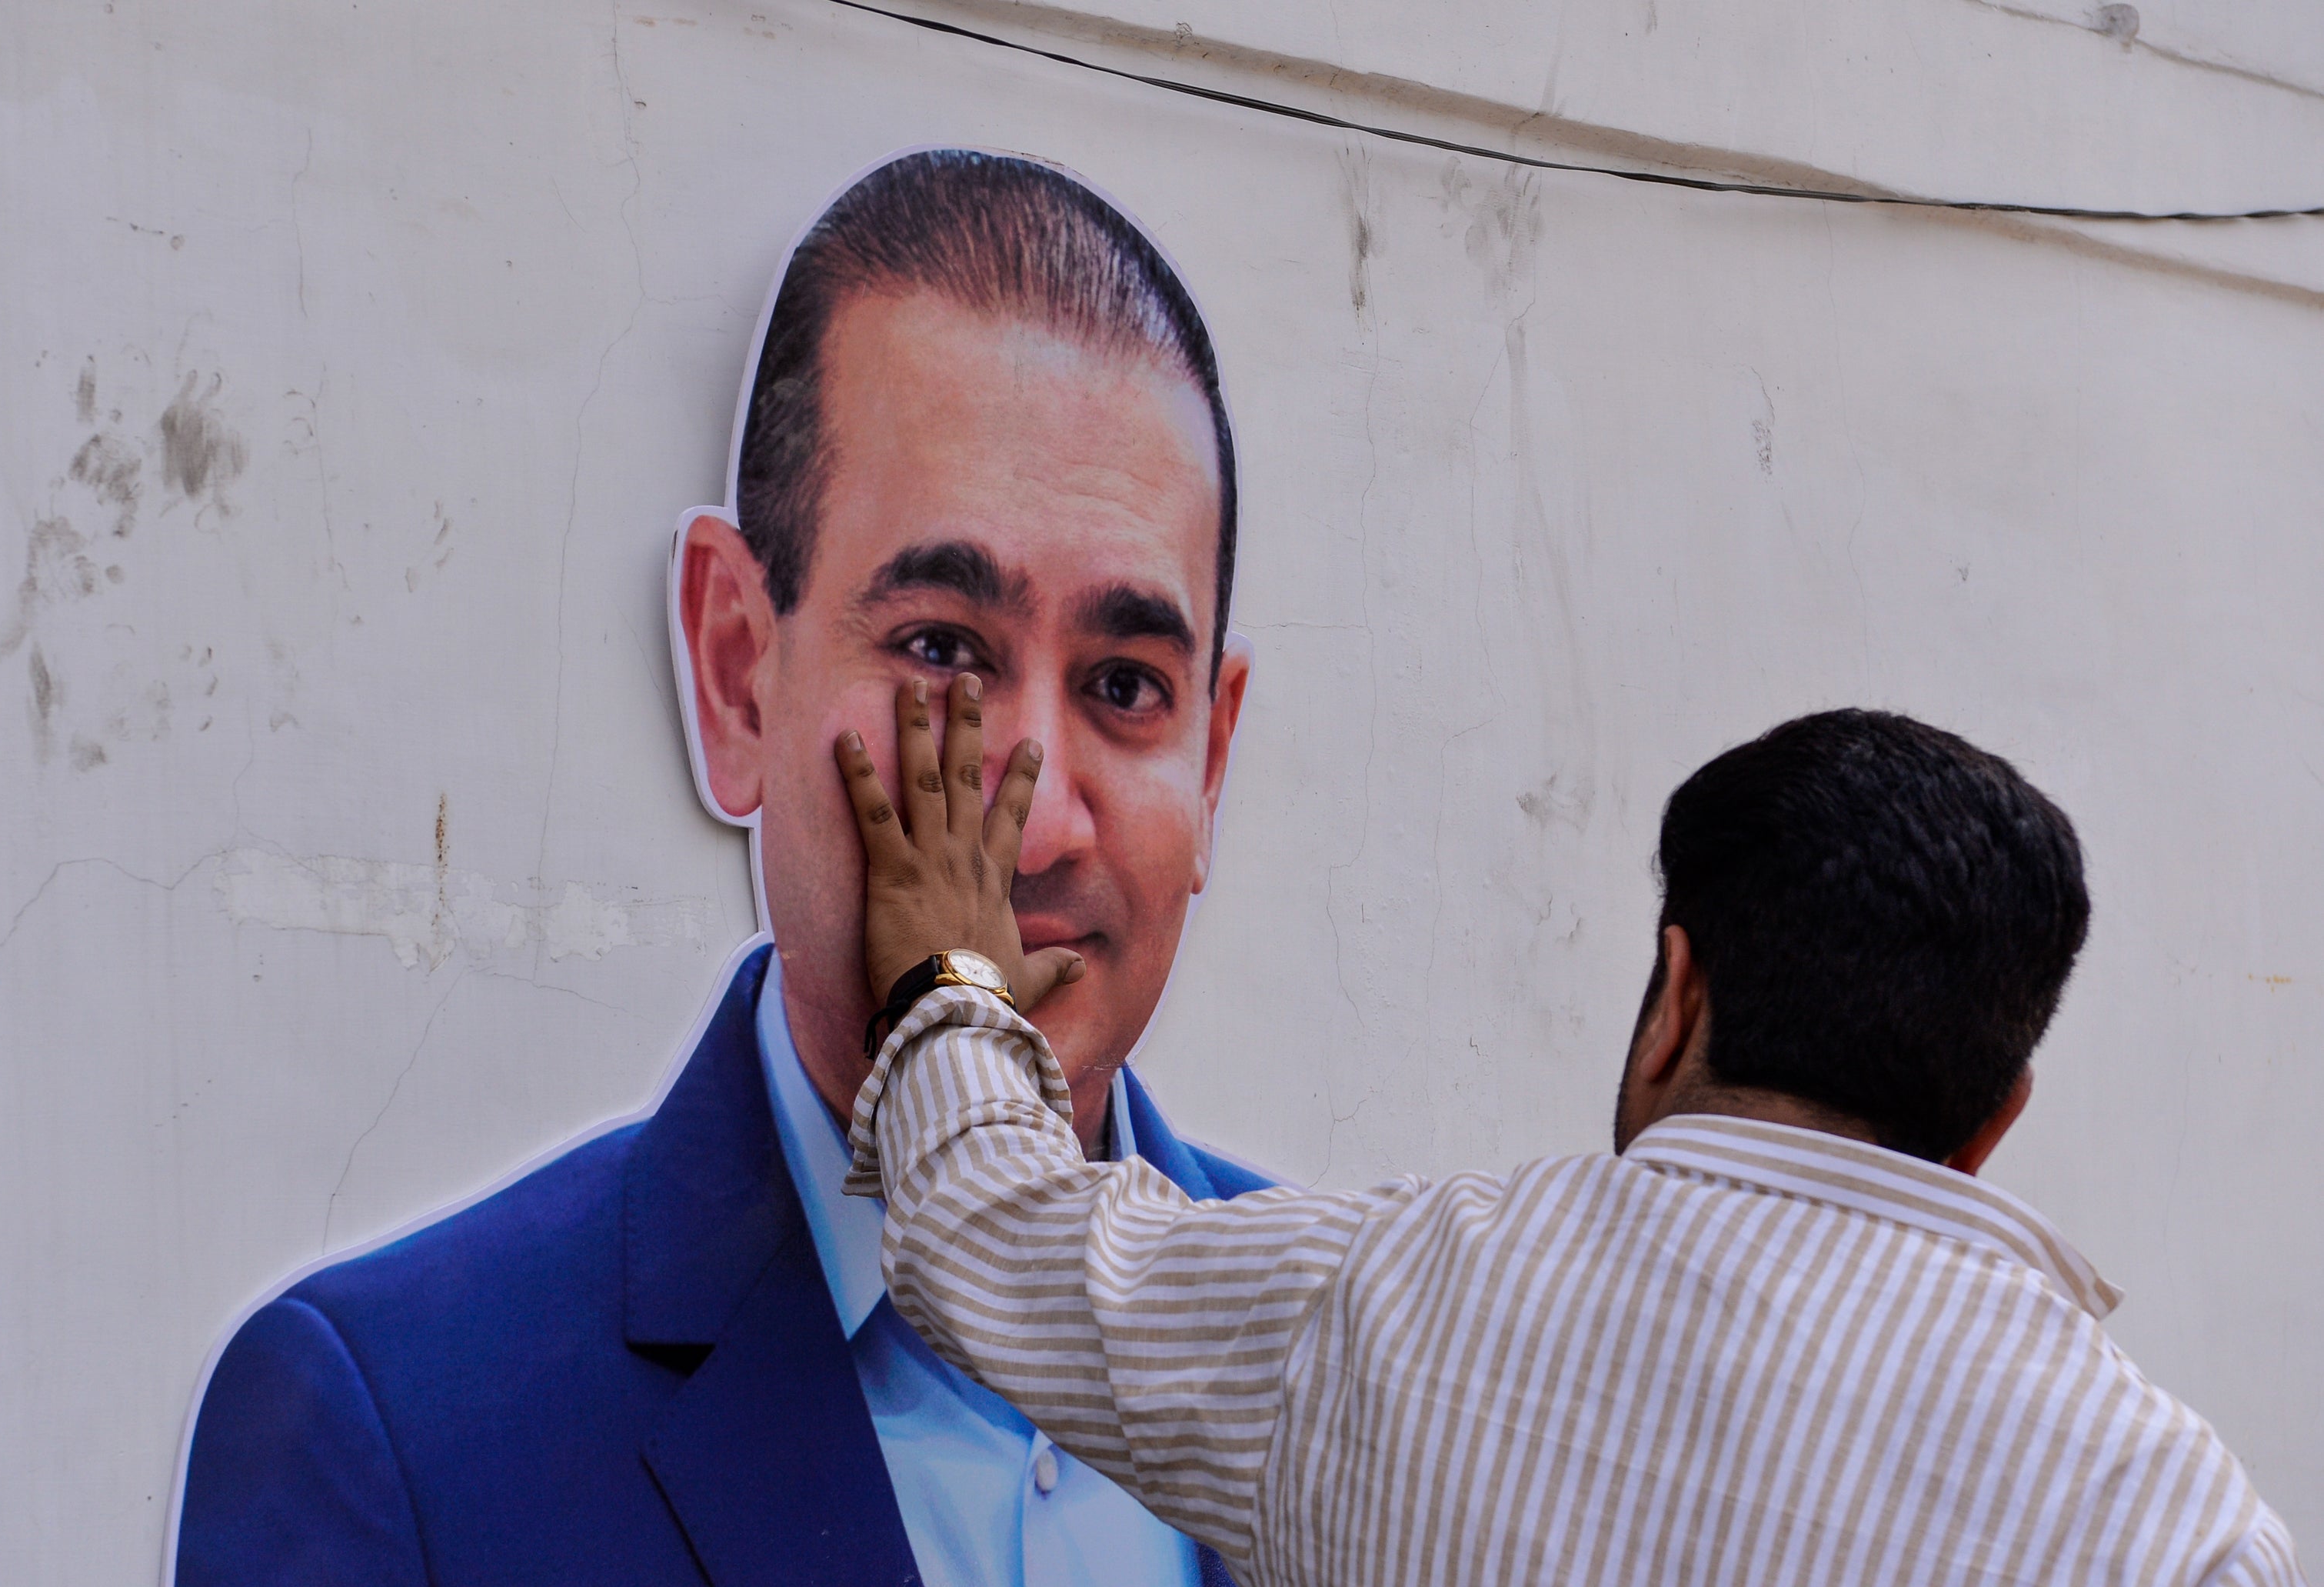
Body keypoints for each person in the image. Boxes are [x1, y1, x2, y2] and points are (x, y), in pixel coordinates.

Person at [175, 151, 1262, 1587]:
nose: (1041, 815)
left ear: (1214, 759)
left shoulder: (1373, 1373)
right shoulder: (399, 1441)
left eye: (1126, 684)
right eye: (942, 651)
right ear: (737, 673)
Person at [836, 681, 2306, 1587]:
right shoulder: (2171, 1529)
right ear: (1993, 1122)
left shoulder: (1391, 1305)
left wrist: (952, 976)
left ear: (1676, 996)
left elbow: (993, 1241)